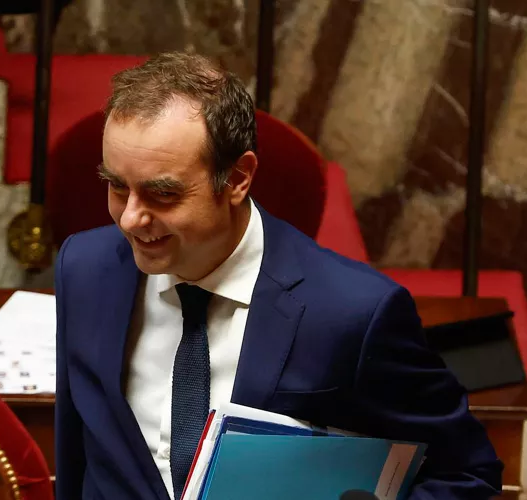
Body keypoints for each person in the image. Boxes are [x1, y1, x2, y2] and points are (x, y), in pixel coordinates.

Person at [53, 52, 502, 500]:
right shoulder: (85, 269)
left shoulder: (353, 312)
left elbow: (465, 476)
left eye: (163, 194)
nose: (130, 219)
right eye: (117, 186)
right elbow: (76, 454)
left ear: (238, 179)